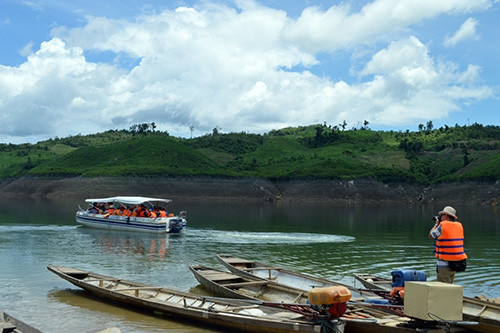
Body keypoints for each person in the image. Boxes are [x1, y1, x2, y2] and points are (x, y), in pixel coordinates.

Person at [428, 206, 467, 283]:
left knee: (442, 288)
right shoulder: (459, 226)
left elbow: (431, 235)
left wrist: (436, 224)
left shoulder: (442, 226)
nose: (441, 217)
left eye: (442, 215)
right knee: (450, 286)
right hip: (455, 263)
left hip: (443, 263)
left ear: (446, 216)